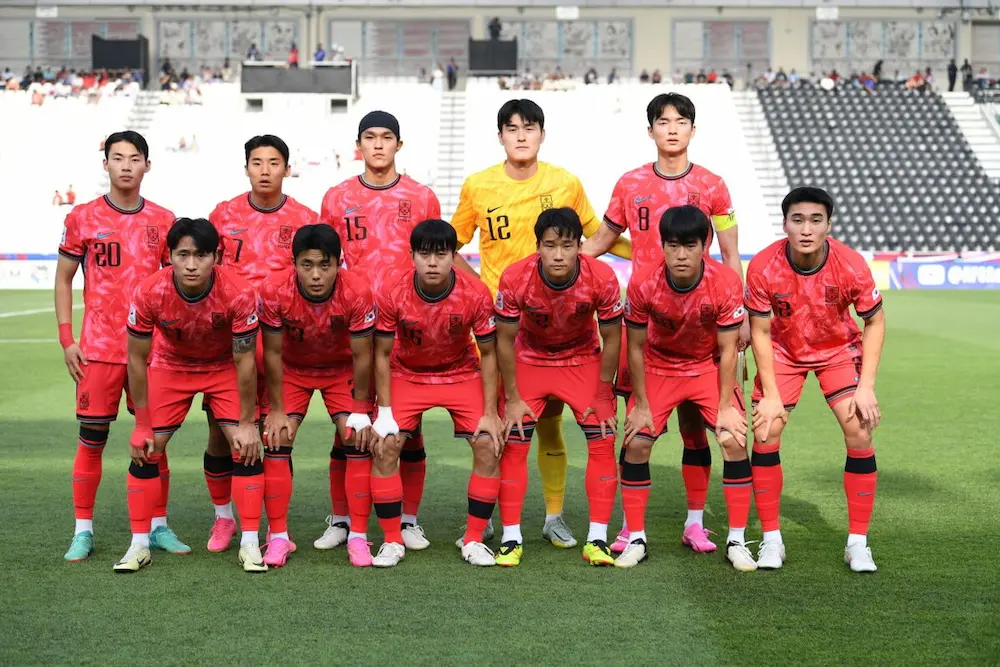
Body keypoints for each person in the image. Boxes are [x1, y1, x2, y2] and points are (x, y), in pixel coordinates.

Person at [450, 98, 631, 549]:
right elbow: (450, 245)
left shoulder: (564, 182)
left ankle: (553, 516)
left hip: (561, 328)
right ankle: (488, 517)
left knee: (549, 425)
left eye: (530, 128)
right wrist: (481, 292)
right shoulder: (478, 185)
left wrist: (648, 252)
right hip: (504, 328)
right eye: (512, 129)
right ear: (500, 136)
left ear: (542, 134)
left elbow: (597, 236)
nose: (521, 135)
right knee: (496, 423)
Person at [582, 92, 746, 554]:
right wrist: (556, 266)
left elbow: (731, 254)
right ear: (650, 130)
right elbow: (601, 241)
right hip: (647, 328)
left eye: (681, 121)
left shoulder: (714, 185)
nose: (671, 129)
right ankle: (629, 529)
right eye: (662, 121)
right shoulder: (629, 183)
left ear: (694, 130)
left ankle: (696, 523)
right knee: (638, 429)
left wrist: (744, 315)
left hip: (705, 330)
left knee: (699, 431)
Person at [745, 187, 885, 573]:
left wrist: (866, 385)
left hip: (836, 351)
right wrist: (770, 395)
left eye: (816, 220)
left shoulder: (851, 264)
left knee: (859, 430)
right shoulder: (762, 266)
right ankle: (772, 540)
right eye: (798, 220)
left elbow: (874, 321)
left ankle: (858, 543)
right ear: (785, 223)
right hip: (783, 352)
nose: (806, 229)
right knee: (765, 429)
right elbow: (758, 331)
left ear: (829, 225)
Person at [55, 130, 179, 562]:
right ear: (104, 163)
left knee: (155, 440)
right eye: (118, 157)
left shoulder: (164, 221)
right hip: (98, 351)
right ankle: (82, 530)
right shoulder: (83, 218)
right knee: (92, 439)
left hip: (151, 353)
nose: (126, 165)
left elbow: (174, 285)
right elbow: (63, 279)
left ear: (148, 164)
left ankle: (159, 525)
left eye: (135, 158)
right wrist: (67, 338)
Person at [320, 111, 441, 551]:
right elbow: (327, 263)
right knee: (350, 427)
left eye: (386, 137)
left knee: (408, 428)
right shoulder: (336, 198)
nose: (377, 145)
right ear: (358, 145)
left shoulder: (422, 197)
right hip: (351, 328)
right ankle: (341, 519)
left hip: (407, 329)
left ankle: (407, 520)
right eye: (369, 138)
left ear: (399, 145)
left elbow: (431, 260)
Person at [119, 218, 263, 573]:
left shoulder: (239, 292)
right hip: (172, 365)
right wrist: (141, 423)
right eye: (183, 254)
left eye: (200, 255)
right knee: (147, 447)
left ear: (217, 256)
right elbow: (137, 359)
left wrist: (247, 422)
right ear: (169, 256)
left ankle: (249, 543)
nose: (191, 264)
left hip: (222, 366)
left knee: (245, 446)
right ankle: (139, 544)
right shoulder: (150, 291)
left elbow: (245, 359)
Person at [619, 206, 751, 570]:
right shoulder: (644, 282)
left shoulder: (724, 282)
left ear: (704, 245)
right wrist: (642, 404)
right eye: (673, 245)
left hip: (705, 366)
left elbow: (727, 349)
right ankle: (635, 537)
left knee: (733, 440)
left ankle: (734, 539)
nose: (681, 254)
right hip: (659, 366)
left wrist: (726, 406)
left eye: (689, 245)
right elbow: (634, 346)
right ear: (661, 246)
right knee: (638, 441)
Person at [493, 208, 623, 567]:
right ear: (537, 247)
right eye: (550, 245)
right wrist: (515, 397)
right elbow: (503, 341)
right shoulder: (515, 277)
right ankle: (510, 538)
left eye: (567, 245)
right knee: (514, 441)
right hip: (530, 359)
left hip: (582, 360)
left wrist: (602, 392)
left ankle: (597, 538)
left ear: (580, 246)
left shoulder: (602, 276)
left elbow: (612, 338)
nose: (559, 254)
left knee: (603, 438)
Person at [370, 220, 504, 568]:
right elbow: (381, 354)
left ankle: (474, 539)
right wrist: (384, 412)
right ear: (412, 255)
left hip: (459, 373)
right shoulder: (392, 291)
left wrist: (490, 412)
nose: (432, 262)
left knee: (489, 442)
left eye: (441, 254)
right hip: (406, 374)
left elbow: (489, 354)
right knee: (385, 443)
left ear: (452, 256)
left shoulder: (475, 293)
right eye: (425, 254)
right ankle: (392, 540)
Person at [207, 135, 318, 553]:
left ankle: (276, 528)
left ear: (287, 168)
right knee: (222, 433)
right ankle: (224, 520)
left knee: (275, 433)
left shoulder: (305, 218)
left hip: (280, 342)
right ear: (247, 167)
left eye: (274, 162)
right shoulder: (223, 214)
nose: (265, 170)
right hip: (231, 342)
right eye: (257, 162)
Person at [258, 225, 376, 568]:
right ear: (293, 263)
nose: (315, 275)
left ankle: (357, 536)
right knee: (277, 438)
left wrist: (358, 410)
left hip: (341, 369)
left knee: (355, 438)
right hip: (293, 369)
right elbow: (273, 353)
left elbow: (362, 356)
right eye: (306, 265)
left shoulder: (357, 291)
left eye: (325, 265)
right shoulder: (274, 290)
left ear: (340, 263)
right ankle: (278, 536)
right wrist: (277, 410)